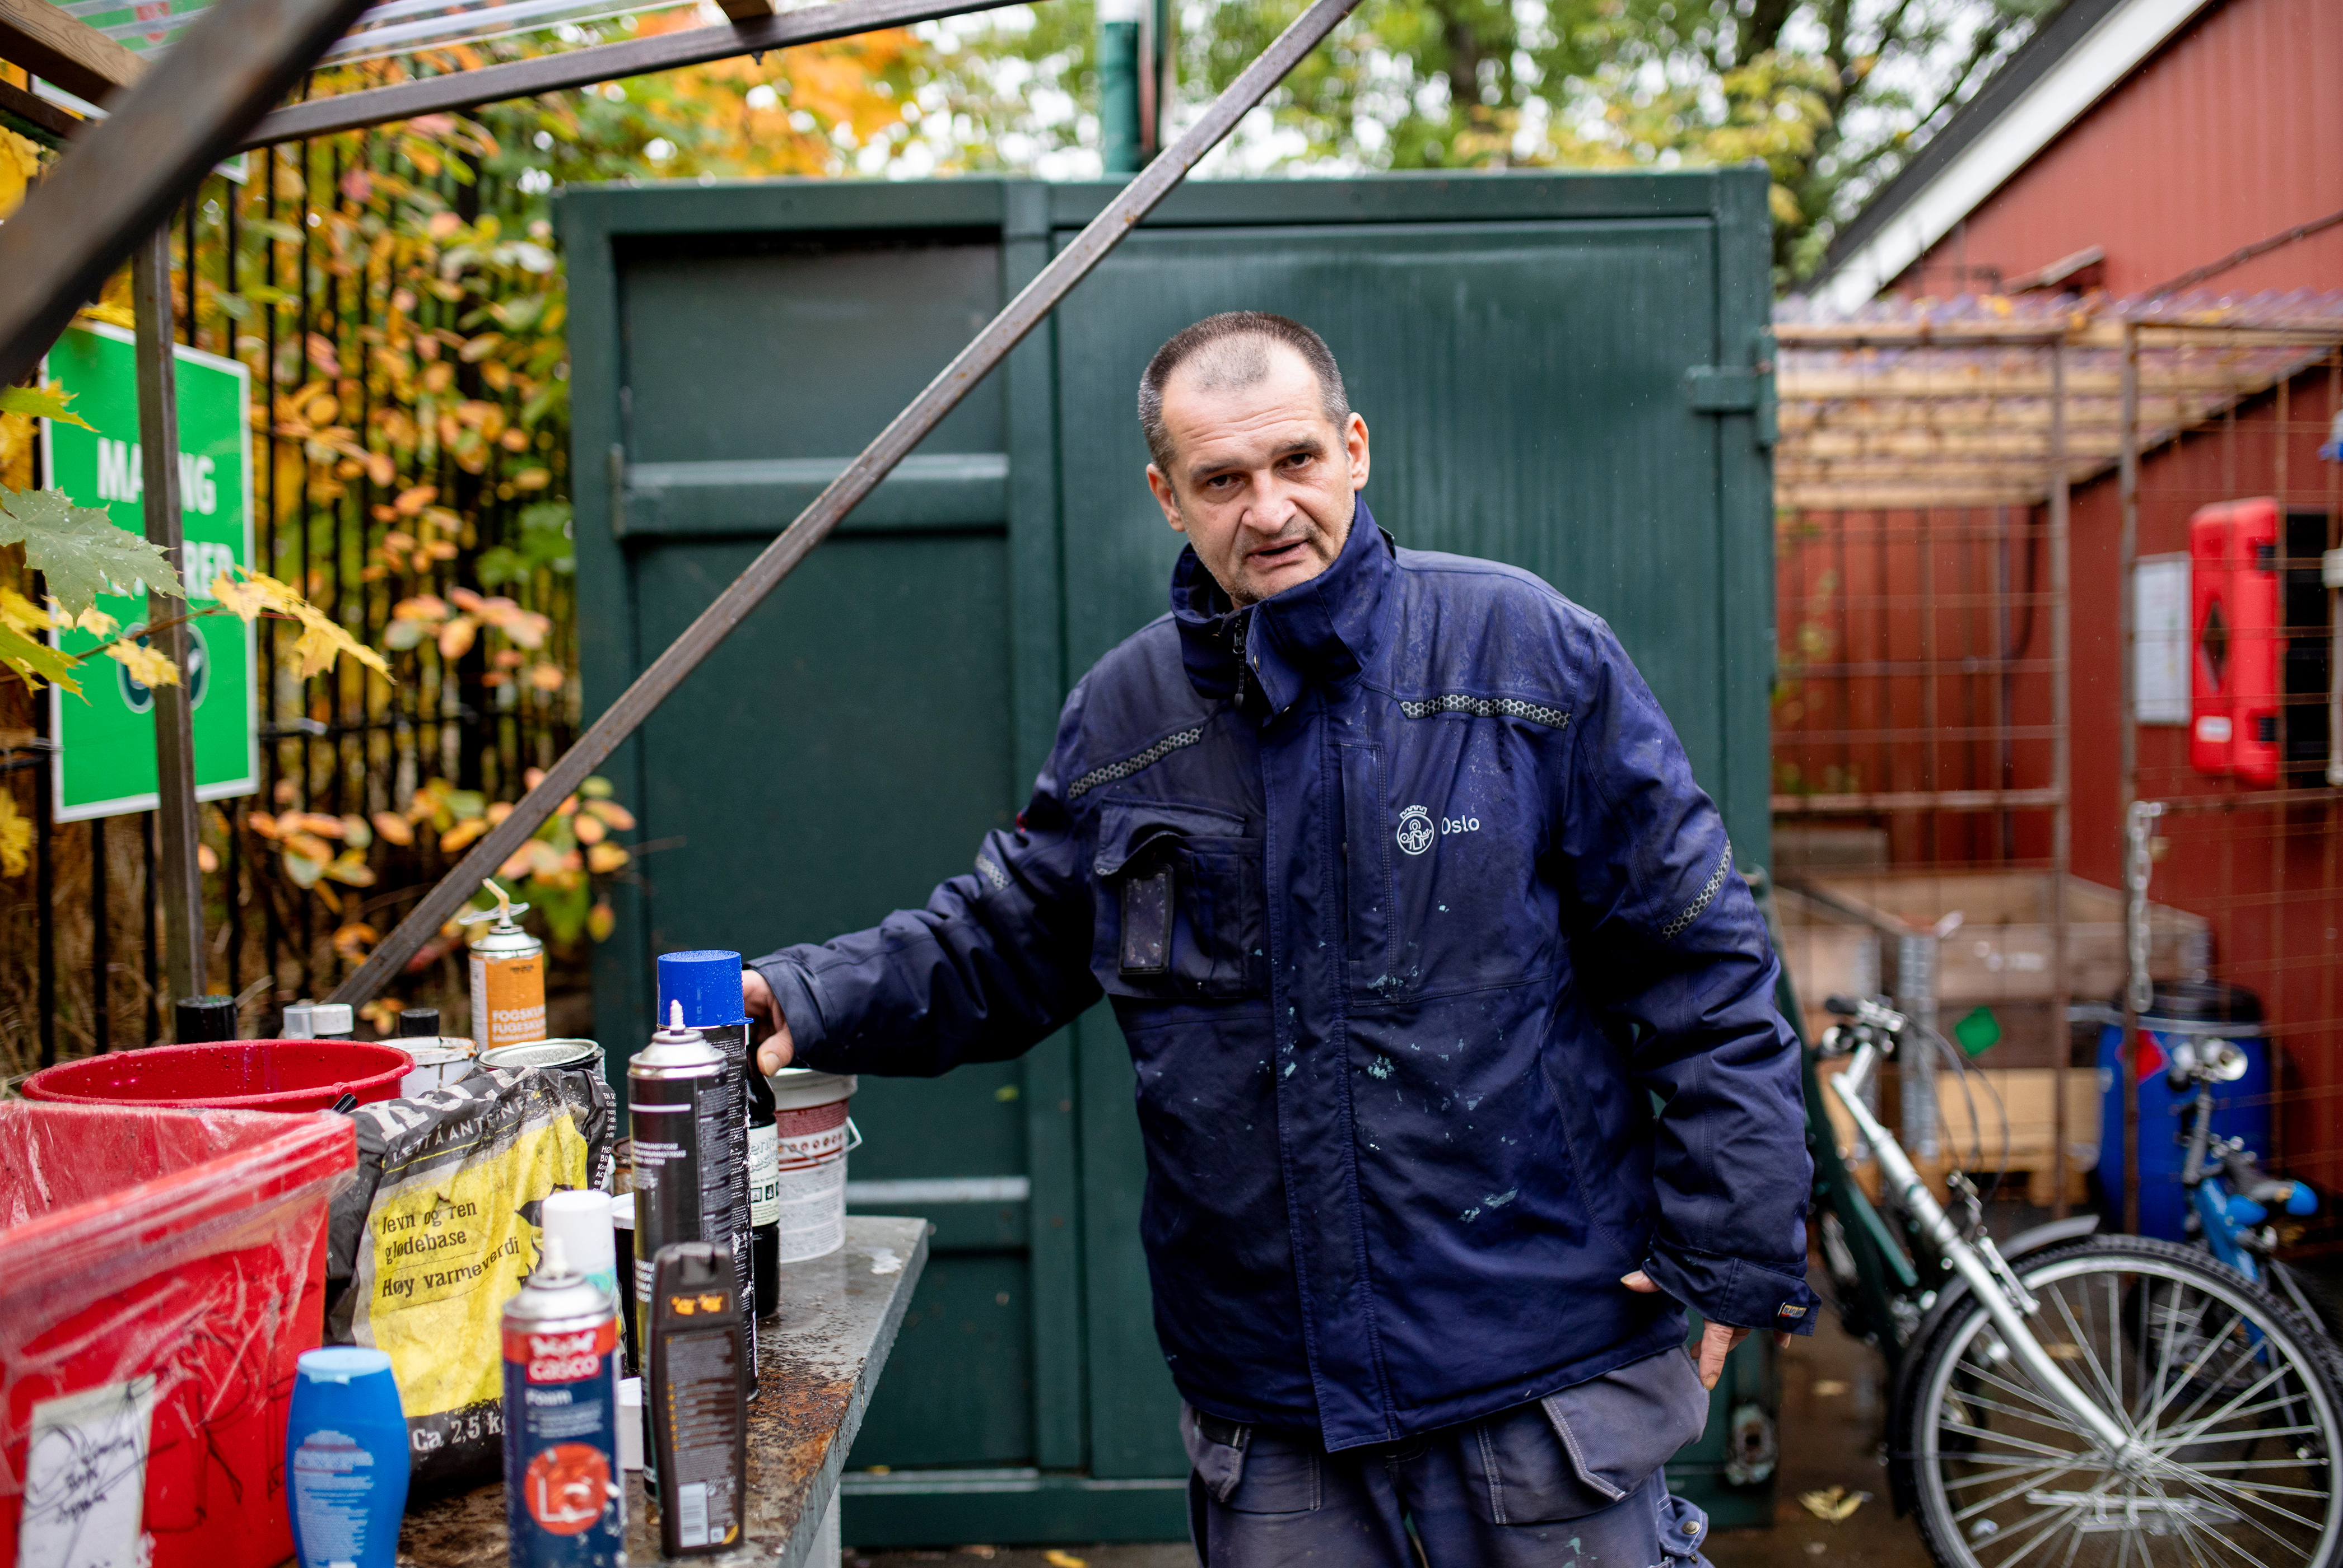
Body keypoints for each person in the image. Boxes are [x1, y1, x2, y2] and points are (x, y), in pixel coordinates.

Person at [742, 311, 1814, 1566]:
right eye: (1223, 478)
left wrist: (1736, 1228)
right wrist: (804, 994)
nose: (1269, 508)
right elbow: (1001, 939)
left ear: (1354, 449)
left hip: (1538, 1373)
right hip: (1277, 1407)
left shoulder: (1523, 655)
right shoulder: (1130, 714)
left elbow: (1700, 950)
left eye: (1297, 460)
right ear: (1166, 495)